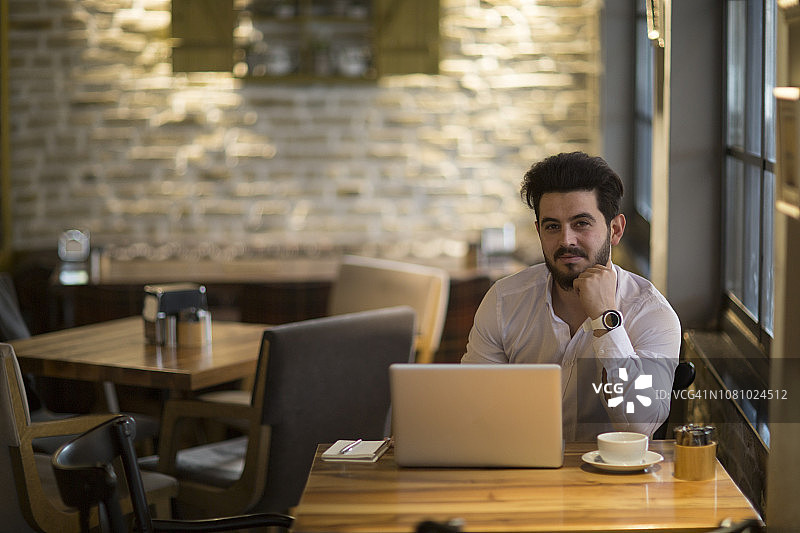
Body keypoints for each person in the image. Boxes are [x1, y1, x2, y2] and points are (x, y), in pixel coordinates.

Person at [462, 151, 680, 441]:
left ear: (615, 230)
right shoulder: (504, 301)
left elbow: (638, 427)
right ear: (538, 231)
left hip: (612, 481)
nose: (566, 240)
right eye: (552, 226)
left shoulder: (651, 314)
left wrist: (606, 320)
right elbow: (470, 409)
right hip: (521, 474)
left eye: (581, 223)